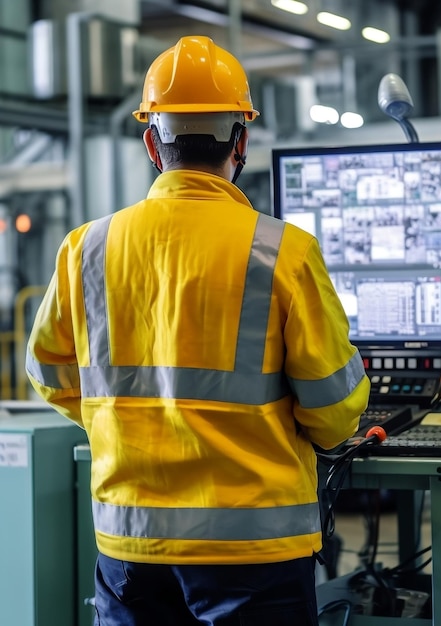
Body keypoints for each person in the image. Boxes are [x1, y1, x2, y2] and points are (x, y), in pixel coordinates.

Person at [25, 35, 370, 626]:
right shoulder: (282, 252)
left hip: (130, 547)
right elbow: (335, 411)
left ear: (151, 144)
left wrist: (128, 419)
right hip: (253, 550)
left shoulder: (84, 248)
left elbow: (50, 374)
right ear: (242, 139)